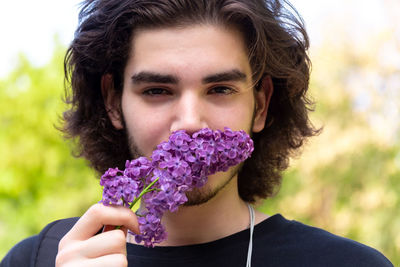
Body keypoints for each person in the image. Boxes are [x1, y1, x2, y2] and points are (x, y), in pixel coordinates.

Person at [1, 0, 394, 266]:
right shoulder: (40, 259)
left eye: (220, 89)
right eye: (157, 91)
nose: (189, 121)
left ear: (260, 105)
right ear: (112, 101)